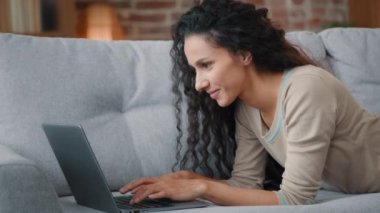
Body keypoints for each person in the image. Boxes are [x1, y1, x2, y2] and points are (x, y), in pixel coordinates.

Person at [119, 0, 380, 205]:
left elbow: (296, 198)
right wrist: (189, 181)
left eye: (206, 65)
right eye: (195, 70)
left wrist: (204, 188)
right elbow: (245, 183)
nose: (198, 83)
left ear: (244, 54)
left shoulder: (306, 88)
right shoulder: (247, 108)